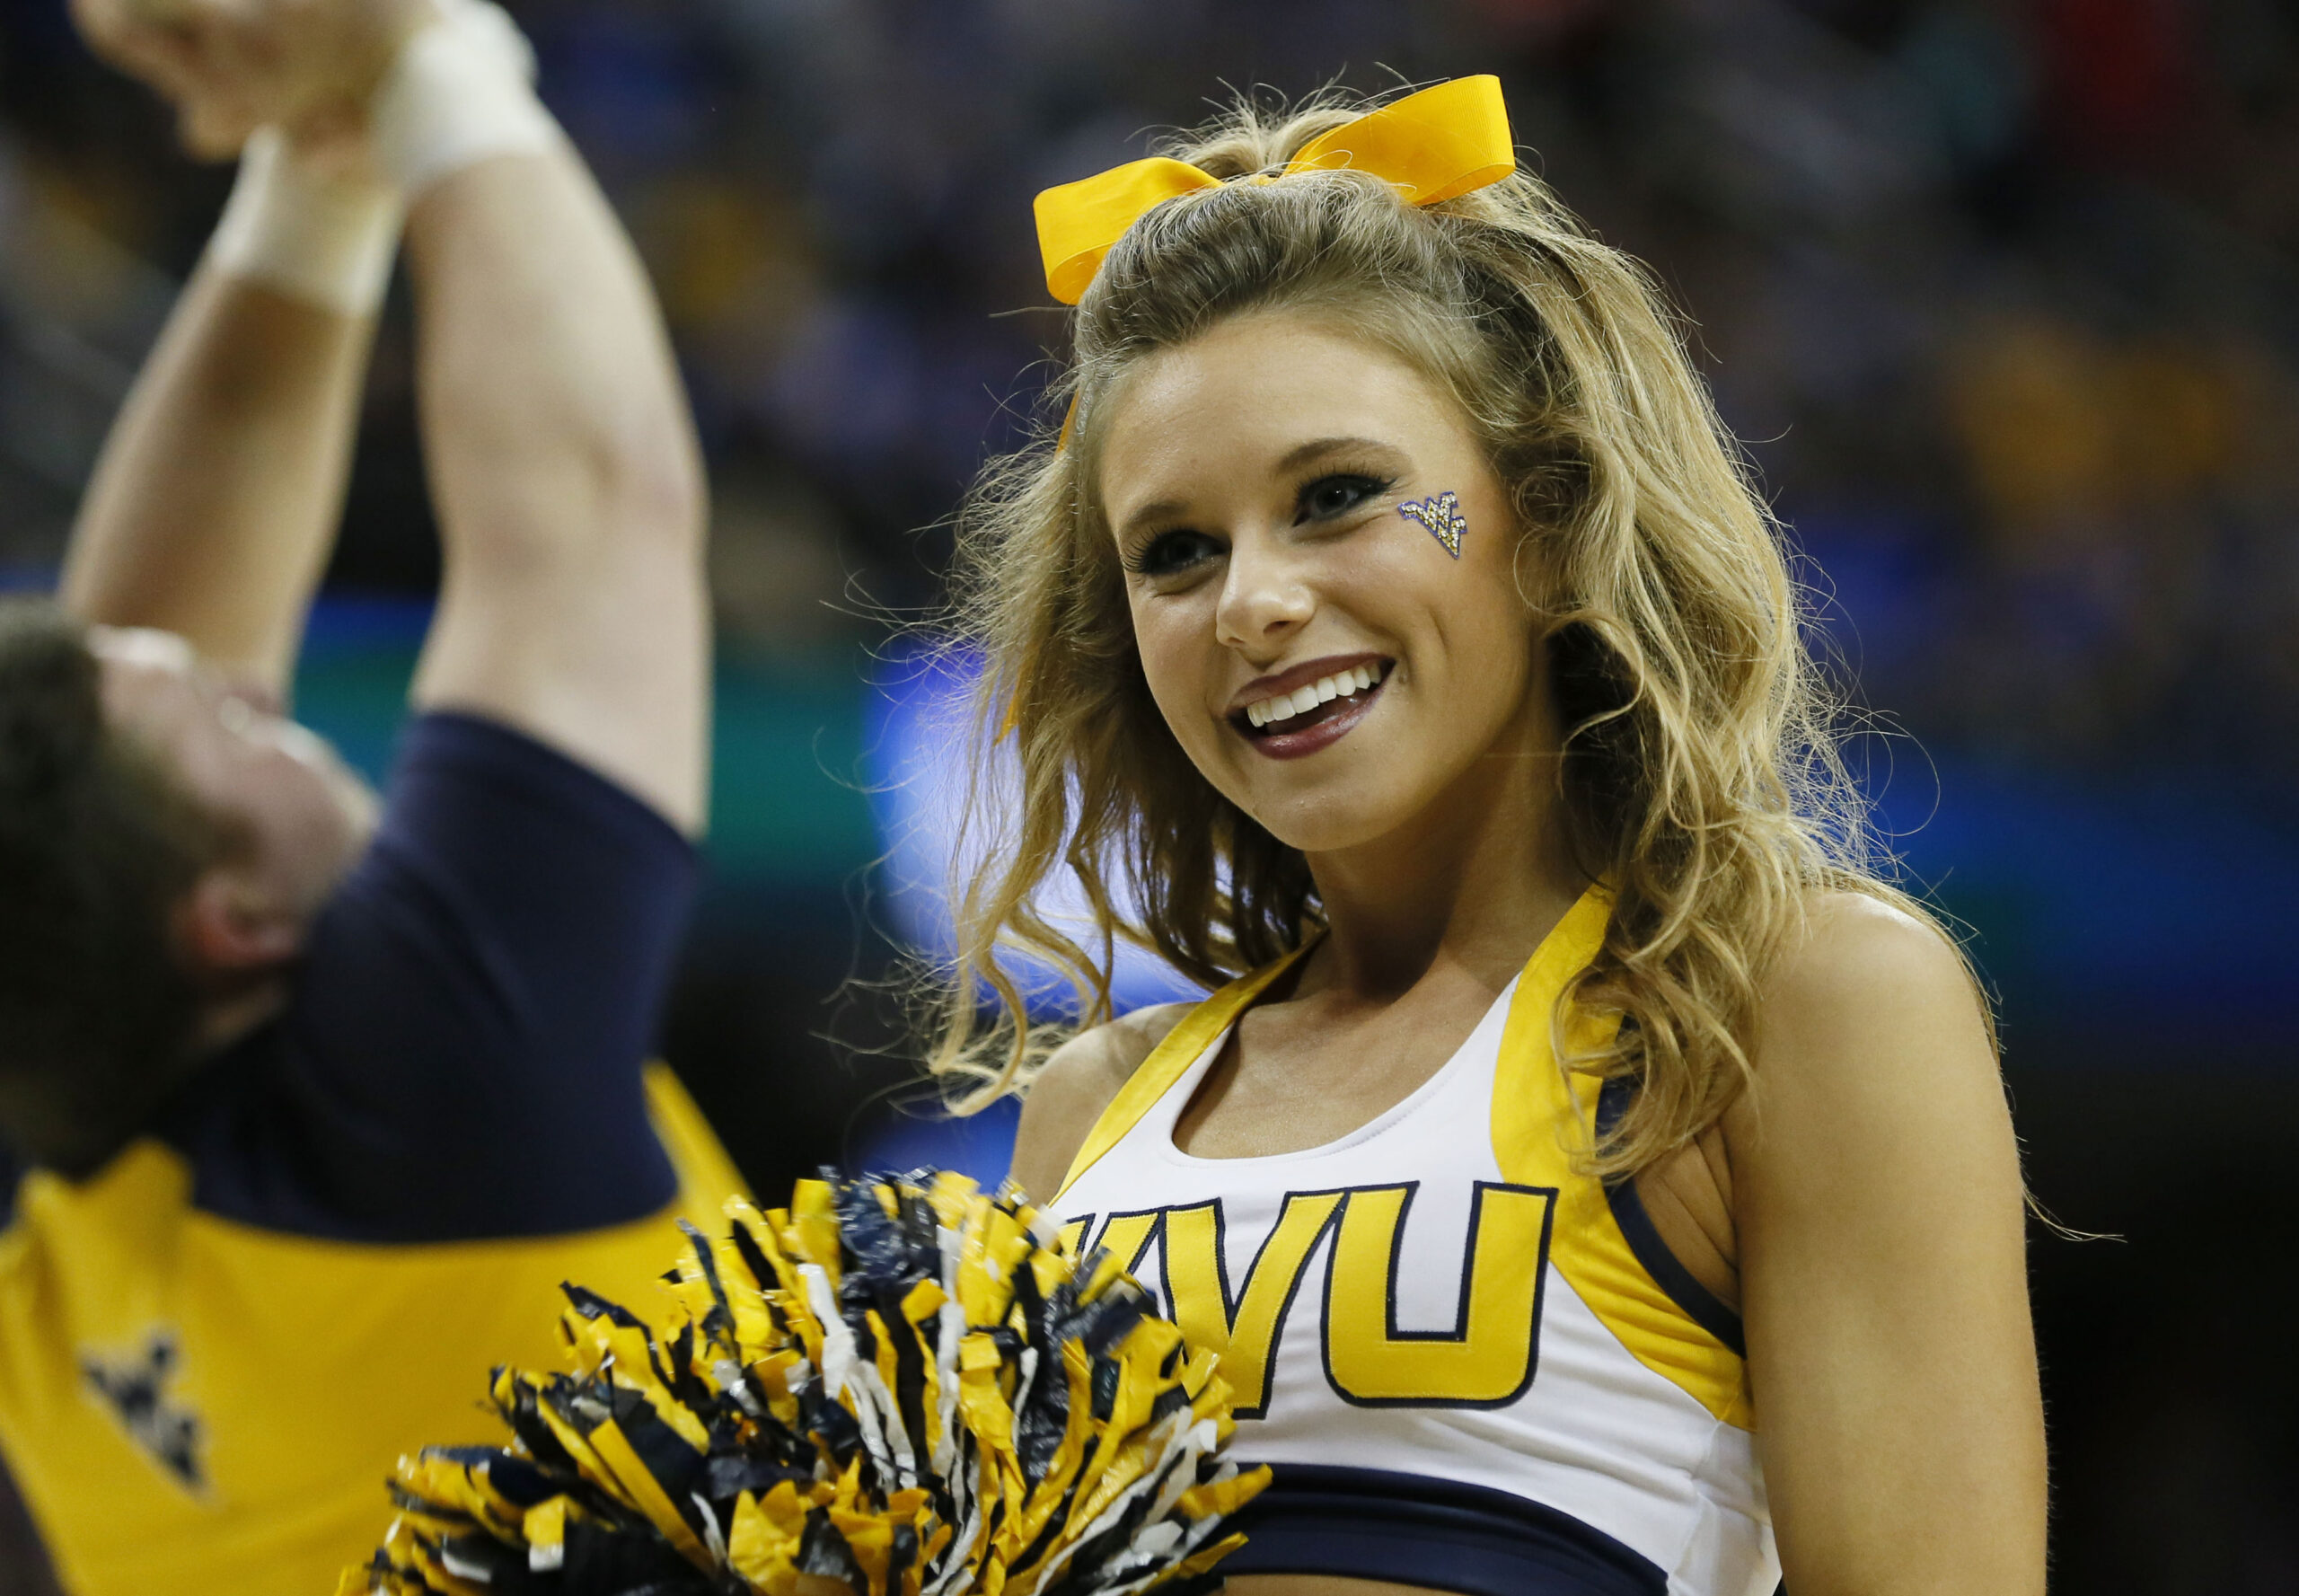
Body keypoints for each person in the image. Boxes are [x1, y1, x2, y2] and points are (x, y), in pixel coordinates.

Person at [928, 77, 2047, 1595]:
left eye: (1338, 496)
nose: (1251, 600)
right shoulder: (1092, 1112)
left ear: (1549, 510)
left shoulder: (1786, 1005)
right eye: (1176, 551)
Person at [0, 2, 743, 1591]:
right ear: (232, 921)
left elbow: (120, 692)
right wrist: (430, 53)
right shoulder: (433, 1102)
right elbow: (589, 513)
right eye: (234, 723)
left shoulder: (56, 1197)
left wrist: (320, 161)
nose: (250, 687)